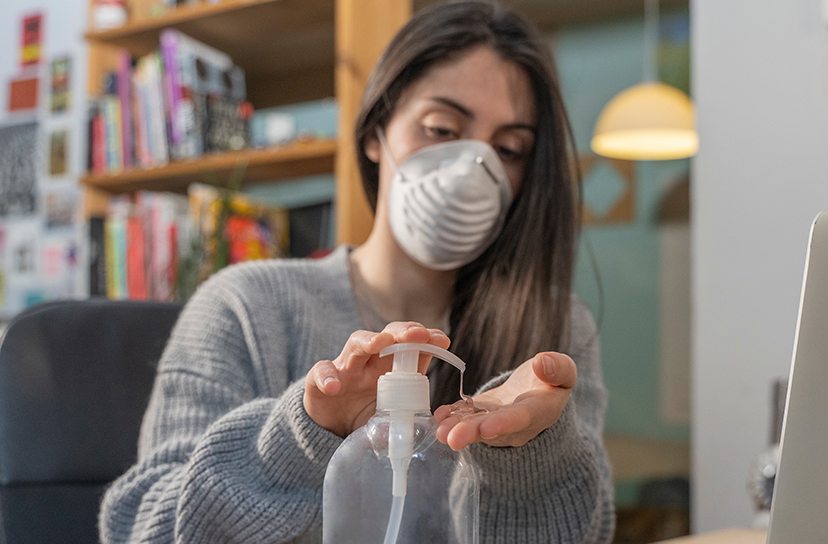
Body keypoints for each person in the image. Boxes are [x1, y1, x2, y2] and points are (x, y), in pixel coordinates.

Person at [99, 2, 614, 542]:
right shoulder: (247, 309)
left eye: (507, 149)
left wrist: (535, 461)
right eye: (441, 129)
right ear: (376, 134)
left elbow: (592, 532)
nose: (471, 168)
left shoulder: (554, 331)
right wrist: (302, 440)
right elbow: (142, 530)